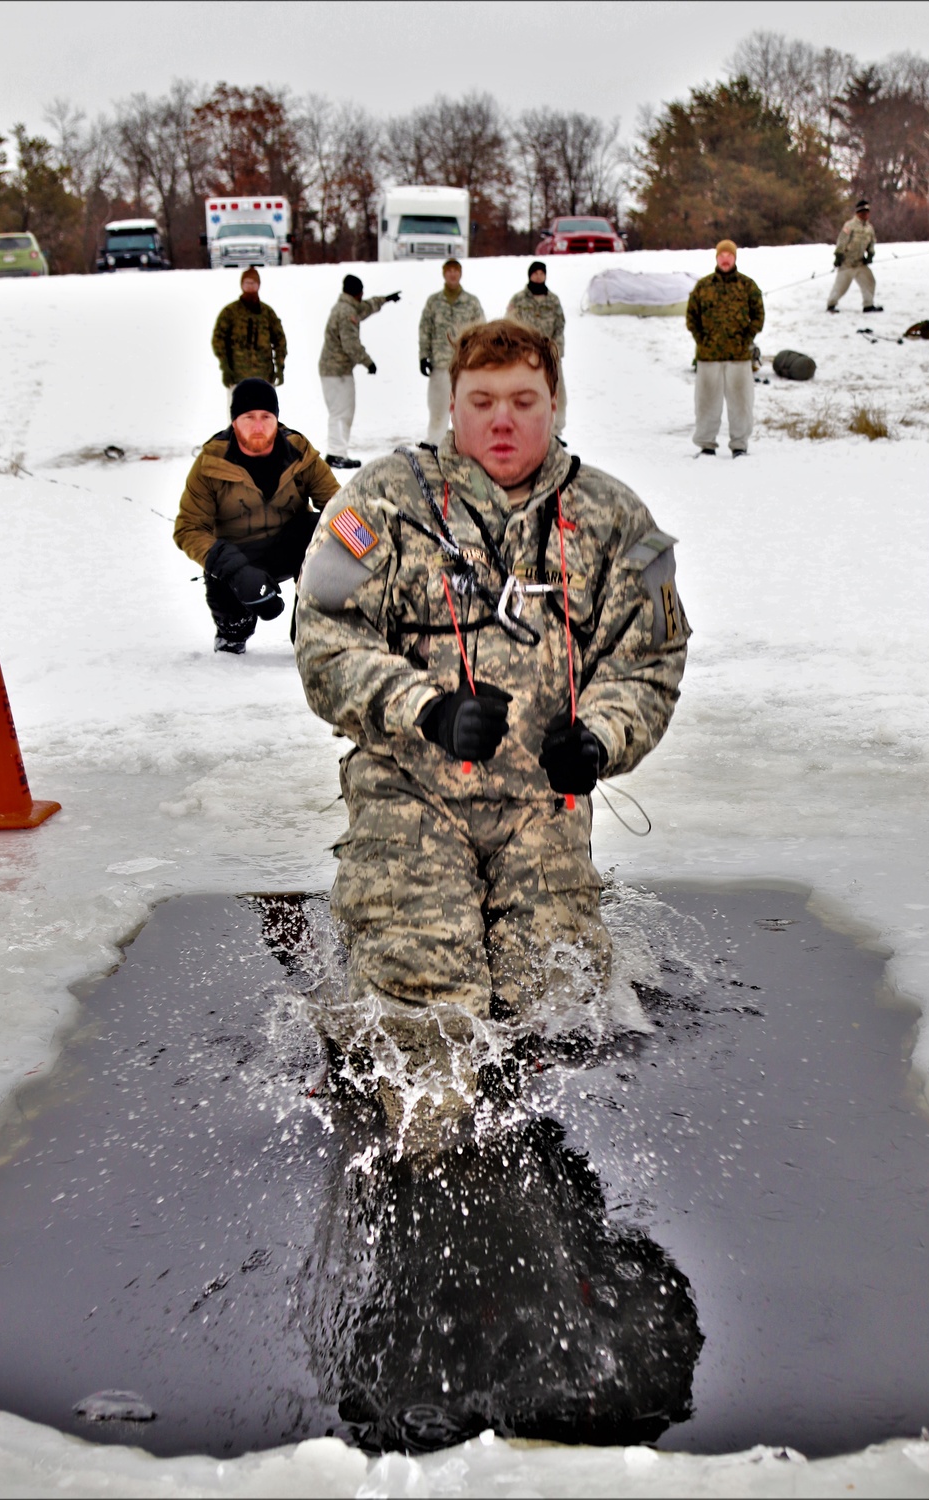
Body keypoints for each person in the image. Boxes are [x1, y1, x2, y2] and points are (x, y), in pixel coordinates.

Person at [295, 320, 689, 1108]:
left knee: (556, 1001)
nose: (502, 420)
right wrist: (426, 708)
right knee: (426, 1008)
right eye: (481, 400)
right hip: (412, 795)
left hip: (540, 805)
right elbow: (324, 638)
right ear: (451, 405)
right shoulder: (381, 501)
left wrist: (600, 739)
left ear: (555, 403)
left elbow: (649, 658)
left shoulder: (612, 519)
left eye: (523, 400)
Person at [174, 378, 339, 654]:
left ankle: (311, 630)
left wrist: (368, 550)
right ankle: (232, 632)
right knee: (227, 601)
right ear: (234, 422)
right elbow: (188, 528)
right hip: (237, 559)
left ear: (276, 419)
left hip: (287, 548)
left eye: (266, 416)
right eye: (249, 417)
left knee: (318, 529)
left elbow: (340, 506)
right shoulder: (211, 462)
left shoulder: (300, 452)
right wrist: (238, 571)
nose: (259, 426)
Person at [685, 240, 764, 459]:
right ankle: (706, 445)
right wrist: (702, 340)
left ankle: (739, 445)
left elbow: (758, 315)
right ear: (716, 258)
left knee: (741, 403)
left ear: (735, 258)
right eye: (722, 255)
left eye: (729, 255)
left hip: (738, 357)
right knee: (706, 403)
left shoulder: (747, 286)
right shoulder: (704, 286)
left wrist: (746, 338)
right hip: (709, 357)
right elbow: (692, 317)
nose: (725, 259)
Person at [318, 274, 401, 470]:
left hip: (334, 369)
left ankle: (336, 452)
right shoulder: (347, 313)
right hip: (337, 371)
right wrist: (368, 362)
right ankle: (336, 453)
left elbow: (365, 308)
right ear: (358, 292)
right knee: (341, 412)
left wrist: (385, 300)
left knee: (340, 411)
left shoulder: (346, 307)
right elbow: (351, 344)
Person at [418, 258, 485, 445]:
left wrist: (479, 358)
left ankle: (465, 441)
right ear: (444, 274)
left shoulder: (471, 302)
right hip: (440, 363)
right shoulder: (434, 302)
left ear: (460, 274)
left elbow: (481, 331)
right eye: (449, 271)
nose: (452, 274)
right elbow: (425, 329)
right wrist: (423, 356)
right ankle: (435, 441)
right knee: (438, 406)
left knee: (465, 405)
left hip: (465, 364)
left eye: (456, 270)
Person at [506, 261, 567, 438]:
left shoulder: (553, 300)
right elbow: (510, 323)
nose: (539, 276)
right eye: (535, 273)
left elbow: (559, 326)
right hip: (525, 356)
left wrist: (555, 350)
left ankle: (555, 431)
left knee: (556, 392)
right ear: (530, 275)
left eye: (542, 273)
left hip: (549, 355)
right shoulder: (518, 299)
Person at [211, 267, 287, 395]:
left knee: (264, 412)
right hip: (237, 376)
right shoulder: (230, 312)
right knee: (239, 413)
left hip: (265, 376)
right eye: (247, 283)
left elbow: (280, 340)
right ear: (241, 285)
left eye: (253, 283)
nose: (250, 286)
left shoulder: (267, 312)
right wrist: (225, 367)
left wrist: (280, 367)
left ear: (259, 285)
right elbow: (218, 340)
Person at [827, 200, 882, 314]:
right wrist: (838, 256)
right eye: (862, 212)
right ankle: (831, 305)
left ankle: (868, 305)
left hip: (860, 263)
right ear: (857, 213)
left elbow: (871, 243)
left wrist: (870, 255)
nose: (865, 215)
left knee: (870, 282)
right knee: (841, 287)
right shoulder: (849, 226)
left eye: (867, 212)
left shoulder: (869, 228)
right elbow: (841, 242)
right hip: (847, 263)